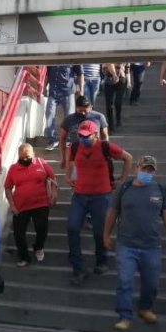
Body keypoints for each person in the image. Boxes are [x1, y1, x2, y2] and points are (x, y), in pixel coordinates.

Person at [103, 156, 166, 331]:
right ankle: (124, 316)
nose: (147, 173)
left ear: (155, 172)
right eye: (144, 169)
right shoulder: (124, 189)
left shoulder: (160, 190)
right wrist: (106, 235)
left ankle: (145, 308)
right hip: (126, 245)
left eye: (150, 170)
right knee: (125, 280)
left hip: (151, 246)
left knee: (151, 282)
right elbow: (112, 212)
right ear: (136, 169)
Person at [65, 121, 132, 286]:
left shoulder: (106, 147)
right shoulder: (74, 147)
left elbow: (128, 158)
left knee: (99, 231)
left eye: (87, 136)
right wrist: (67, 176)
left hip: (101, 197)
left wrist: (122, 180)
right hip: (80, 196)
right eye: (81, 135)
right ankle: (78, 268)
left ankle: (102, 260)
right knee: (72, 228)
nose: (83, 138)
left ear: (95, 134)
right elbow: (69, 160)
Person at [4, 144, 54, 267]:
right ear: (18, 156)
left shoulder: (42, 163)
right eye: (22, 157)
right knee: (18, 233)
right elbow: (8, 188)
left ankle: (38, 247)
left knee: (42, 228)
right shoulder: (13, 168)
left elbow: (52, 177)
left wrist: (53, 194)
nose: (25, 159)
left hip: (41, 204)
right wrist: (12, 205)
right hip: (20, 206)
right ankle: (24, 257)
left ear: (33, 155)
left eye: (27, 157)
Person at [59, 95, 109, 168]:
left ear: (91, 107)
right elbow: (62, 138)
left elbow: (105, 136)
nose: (83, 113)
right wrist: (63, 157)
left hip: (95, 153)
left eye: (85, 111)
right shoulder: (69, 119)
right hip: (76, 154)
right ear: (76, 108)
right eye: (80, 111)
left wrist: (105, 151)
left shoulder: (99, 117)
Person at [43, 64, 83, 152]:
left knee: (70, 116)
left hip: (68, 92)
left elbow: (80, 74)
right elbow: (47, 74)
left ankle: (69, 139)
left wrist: (81, 90)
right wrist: (44, 87)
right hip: (53, 91)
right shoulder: (52, 58)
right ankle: (52, 139)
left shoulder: (73, 57)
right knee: (49, 113)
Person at [102, 62, 128, 131]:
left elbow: (127, 67)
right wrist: (114, 74)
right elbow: (108, 62)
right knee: (109, 104)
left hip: (122, 77)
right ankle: (111, 126)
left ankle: (118, 118)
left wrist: (128, 80)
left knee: (118, 102)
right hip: (109, 78)